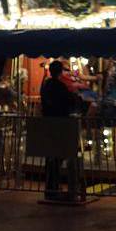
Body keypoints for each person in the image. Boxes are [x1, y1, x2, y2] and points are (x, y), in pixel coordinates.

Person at [40, 60, 84, 201]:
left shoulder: (46, 85)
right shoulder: (60, 86)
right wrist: (76, 96)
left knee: (51, 157)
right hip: (61, 123)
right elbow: (70, 100)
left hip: (49, 122)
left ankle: (51, 188)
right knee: (65, 155)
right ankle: (71, 188)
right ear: (60, 72)